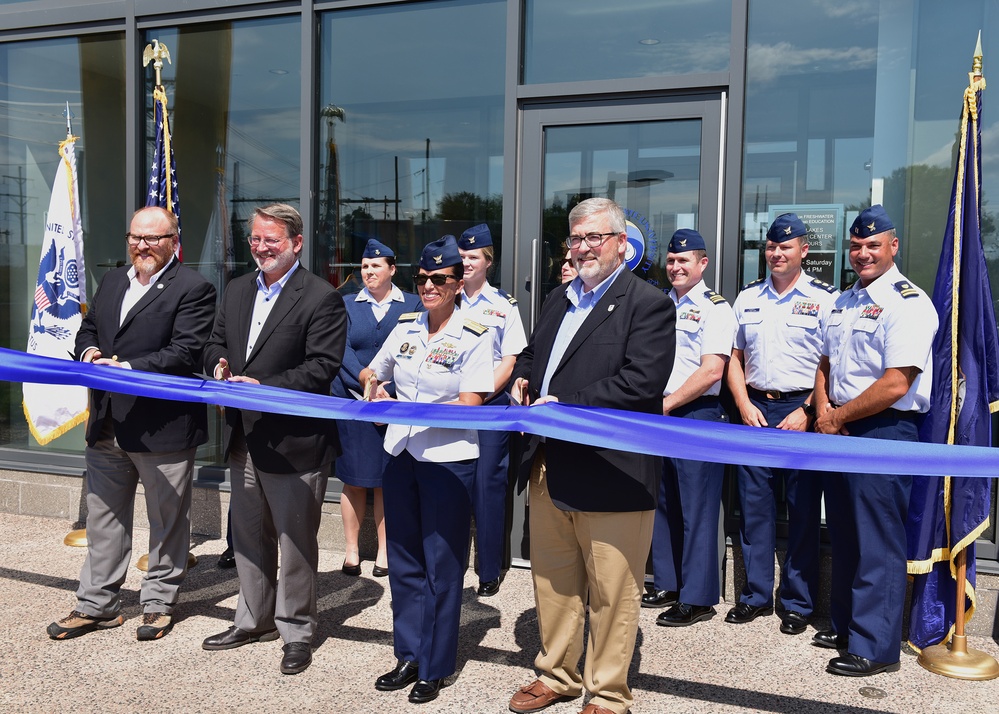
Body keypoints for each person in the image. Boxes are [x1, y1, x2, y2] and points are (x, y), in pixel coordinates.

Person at [508, 197, 675, 714]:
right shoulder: (559, 298)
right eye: (575, 239)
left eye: (593, 238)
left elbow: (641, 382)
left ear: (621, 244)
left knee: (612, 592)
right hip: (550, 466)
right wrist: (523, 377)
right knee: (554, 583)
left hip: (613, 470)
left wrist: (562, 406)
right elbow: (538, 356)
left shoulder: (648, 303)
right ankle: (556, 675)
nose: (582, 247)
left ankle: (605, 693)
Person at [47, 207, 216, 642]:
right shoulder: (113, 280)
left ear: (173, 242)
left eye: (153, 238)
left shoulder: (194, 288)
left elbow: (184, 352)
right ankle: (96, 605)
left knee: (166, 522)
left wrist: (125, 366)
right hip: (107, 422)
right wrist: (88, 355)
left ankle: (158, 603)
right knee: (103, 519)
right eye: (135, 237)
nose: (142, 245)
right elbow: (87, 329)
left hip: (163, 428)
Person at [201, 203, 346, 676]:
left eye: (272, 240)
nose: (260, 248)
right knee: (247, 536)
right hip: (244, 435)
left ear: (296, 244)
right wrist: (218, 365)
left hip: (295, 442)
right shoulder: (238, 289)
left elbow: (321, 367)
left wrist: (265, 389)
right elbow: (215, 342)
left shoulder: (322, 297)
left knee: (295, 540)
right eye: (255, 239)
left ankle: (297, 630)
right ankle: (253, 619)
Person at [361, 234, 494, 704]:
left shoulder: (478, 333)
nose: (429, 286)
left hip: (447, 461)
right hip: (401, 455)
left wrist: (413, 408)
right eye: (422, 278)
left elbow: (471, 402)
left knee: (442, 565)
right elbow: (372, 371)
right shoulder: (407, 326)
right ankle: (408, 654)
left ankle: (435, 666)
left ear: (459, 282)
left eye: (440, 278)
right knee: (404, 562)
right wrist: (375, 386)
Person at [812, 204, 937, 676]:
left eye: (873, 245)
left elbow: (896, 384)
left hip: (883, 429)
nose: (863, 253)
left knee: (877, 540)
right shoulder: (844, 300)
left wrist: (836, 416)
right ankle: (846, 625)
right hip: (839, 427)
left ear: (894, 246)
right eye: (857, 245)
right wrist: (824, 410)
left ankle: (876, 646)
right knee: (845, 532)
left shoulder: (908, 302)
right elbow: (824, 363)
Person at [725, 213, 838, 635]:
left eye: (785, 247)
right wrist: (741, 403)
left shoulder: (826, 299)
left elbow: (830, 363)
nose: (776, 254)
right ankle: (754, 597)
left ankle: (796, 604)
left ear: (804, 251)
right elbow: (734, 359)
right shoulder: (748, 297)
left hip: (801, 414)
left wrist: (809, 410)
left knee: (803, 511)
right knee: (754, 509)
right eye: (771, 247)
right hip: (754, 410)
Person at [648, 228, 735, 628]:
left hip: (696, 414)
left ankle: (698, 597)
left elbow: (712, 369)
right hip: (660, 416)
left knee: (697, 509)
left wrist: (666, 404)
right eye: (671, 260)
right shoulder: (661, 304)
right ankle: (668, 582)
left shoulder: (716, 308)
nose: (676, 266)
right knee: (663, 502)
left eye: (684, 260)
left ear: (702, 263)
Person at [332, 238, 420, 578]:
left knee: (387, 481)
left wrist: (388, 390)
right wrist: (366, 382)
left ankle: (385, 551)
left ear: (392, 270)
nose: (369, 272)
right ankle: (351, 551)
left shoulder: (413, 305)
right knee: (353, 481)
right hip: (353, 403)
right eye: (365, 266)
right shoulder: (346, 304)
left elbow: (418, 351)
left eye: (376, 266)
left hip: (394, 404)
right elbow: (341, 351)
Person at [457, 223, 527, 597]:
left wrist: (481, 396)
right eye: (462, 256)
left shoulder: (503, 305)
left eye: (473, 257)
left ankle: (488, 569)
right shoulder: (443, 299)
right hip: (450, 408)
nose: (466, 263)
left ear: (488, 261)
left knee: (487, 486)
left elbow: (511, 358)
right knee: (448, 482)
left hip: (488, 407)